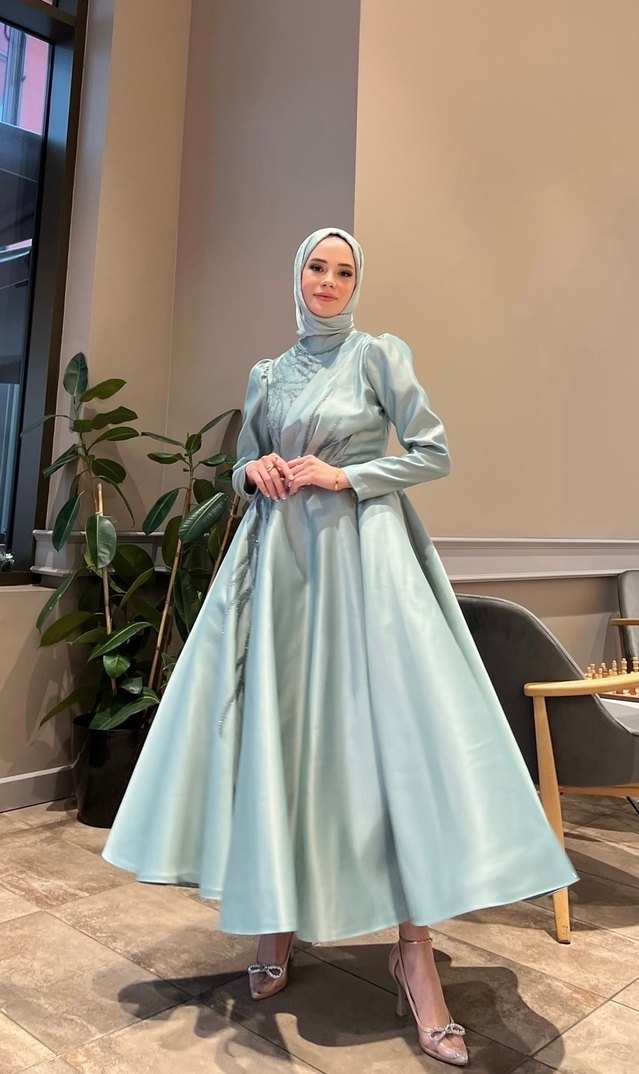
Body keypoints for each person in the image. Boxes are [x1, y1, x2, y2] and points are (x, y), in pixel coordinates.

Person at [104, 227, 577, 1068]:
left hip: (365, 570)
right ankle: (275, 922)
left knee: (389, 747)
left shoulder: (377, 357)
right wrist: (255, 473)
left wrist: (344, 476)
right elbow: (240, 464)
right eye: (316, 268)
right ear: (297, 277)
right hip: (277, 571)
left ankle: (413, 957)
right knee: (278, 737)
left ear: (358, 283)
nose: (327, 281)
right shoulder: (265, 374)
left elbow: (431, 452)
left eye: (343, 270)